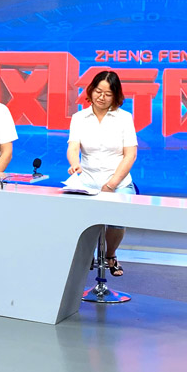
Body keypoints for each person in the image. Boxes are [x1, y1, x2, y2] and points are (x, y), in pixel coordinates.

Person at [67, 70, 138, 277]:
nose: (101, 97)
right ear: (91, 90)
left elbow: (130, 154)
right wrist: (74, 164)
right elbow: (73, 146)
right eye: (98, 91)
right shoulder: (79, 117)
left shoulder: (124, 118)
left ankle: (110, 254)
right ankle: (86, 254)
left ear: (116, 96)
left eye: (108, 94)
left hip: (118, 181)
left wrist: (111, 184)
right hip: (87, 180)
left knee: (118, 218)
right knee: (76, 216)